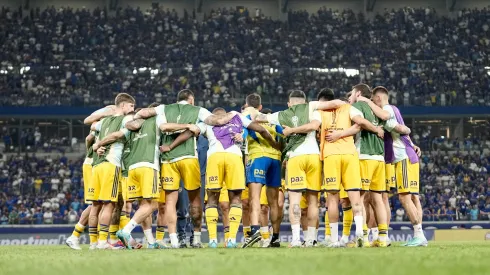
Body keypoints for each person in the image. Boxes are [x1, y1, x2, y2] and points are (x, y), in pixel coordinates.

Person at [133, 89, 236, 248]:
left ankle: (174, 240)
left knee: (170, 202)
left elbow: (145, 113)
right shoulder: (198, 110)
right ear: (191, 99)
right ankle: (196, 239)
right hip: (189, 157)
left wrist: (134, 117)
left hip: (168, 160)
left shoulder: (164, 108)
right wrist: (234, 114)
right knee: (195, 200)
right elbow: (216, 121)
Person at [255, 90, 324, 247]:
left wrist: (290, 130)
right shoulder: (312, 110)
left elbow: (259, 118)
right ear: (304, 101)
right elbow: (314, 126)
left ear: (289, 103)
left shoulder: (280, 115)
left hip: (295, 157)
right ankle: (311, 240)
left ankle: (295, 239)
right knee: (313, 201)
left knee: (294, 200)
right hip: (314, 155)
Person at [200, 107, 276, 248]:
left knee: (211, 199)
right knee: (235, 198)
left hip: (214, 157)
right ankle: (231, 240)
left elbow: (192, 131)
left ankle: (212, 240)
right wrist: (273, 143)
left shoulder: (207, 122)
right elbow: (260, 129)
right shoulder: (237, 116)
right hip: (234, 157)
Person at [361, 86, 427, 247]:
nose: (372, 102)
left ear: (378, 98)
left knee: (405, 197)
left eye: (373, 100)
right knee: (411, 197)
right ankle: (419, 234)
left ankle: (419, 235)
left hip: (403, 158)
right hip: (404, 156)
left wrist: (366, 103)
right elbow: (402, 129)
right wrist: (409, 137)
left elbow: (396, 126)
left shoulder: (388, 109)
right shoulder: (395, 109)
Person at [87, 93, 135, 249]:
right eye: (131, 106)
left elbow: (91, 125)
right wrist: (99, 143)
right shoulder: (126, 119)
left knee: (96, 206)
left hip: (97, 166)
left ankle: (94, 243)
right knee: (109, 205)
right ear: (122, 106)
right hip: (111, 164)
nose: (133, 109)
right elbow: (116, 135)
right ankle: (102, 242)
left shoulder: (103, 121)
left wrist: (96, 145)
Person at [241, 95, 283, 248]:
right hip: (275, 160)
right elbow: (282, 139)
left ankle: (254, 232)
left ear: (247, 105)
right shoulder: (272, 120)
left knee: (255, 198)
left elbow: (244, 131)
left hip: (258, 157)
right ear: (260, 106)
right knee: (273, 202)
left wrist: (241, 136)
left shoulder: (248, 115)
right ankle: (276, 237)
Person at [65, 131, 96, 250]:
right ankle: (78, 237)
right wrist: (94, 148)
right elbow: (89, 137)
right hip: (95, 165)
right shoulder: (104, 118)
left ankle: (95, 241)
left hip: (99, 164)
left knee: (100, 204)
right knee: (97, 204)